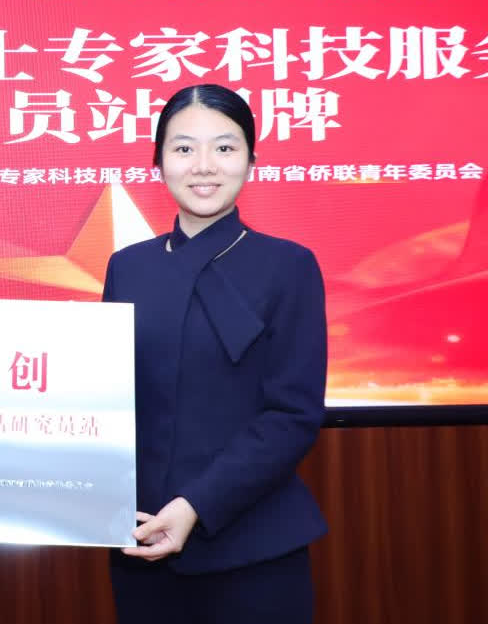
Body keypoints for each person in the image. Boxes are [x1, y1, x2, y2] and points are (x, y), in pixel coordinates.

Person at [101, 84, 327, 623]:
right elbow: (106, 399)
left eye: (224, 148)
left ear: (251, 160)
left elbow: (292, 415)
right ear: (158, 162)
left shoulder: (289, 266)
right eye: (183, 148)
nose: (204, 165)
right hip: (143, 542)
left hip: (254, 549)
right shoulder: (127, 267)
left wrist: (195, 506)